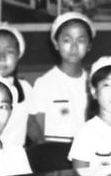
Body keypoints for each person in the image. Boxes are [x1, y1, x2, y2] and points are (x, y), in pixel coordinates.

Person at [31, 12, 94, 144]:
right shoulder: (44, 83)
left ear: (89, 45)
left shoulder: (94, 82)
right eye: (67, 40)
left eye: (81, 40)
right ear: (55, 43)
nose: (74, 47)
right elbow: (38, 133)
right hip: (56, 154)